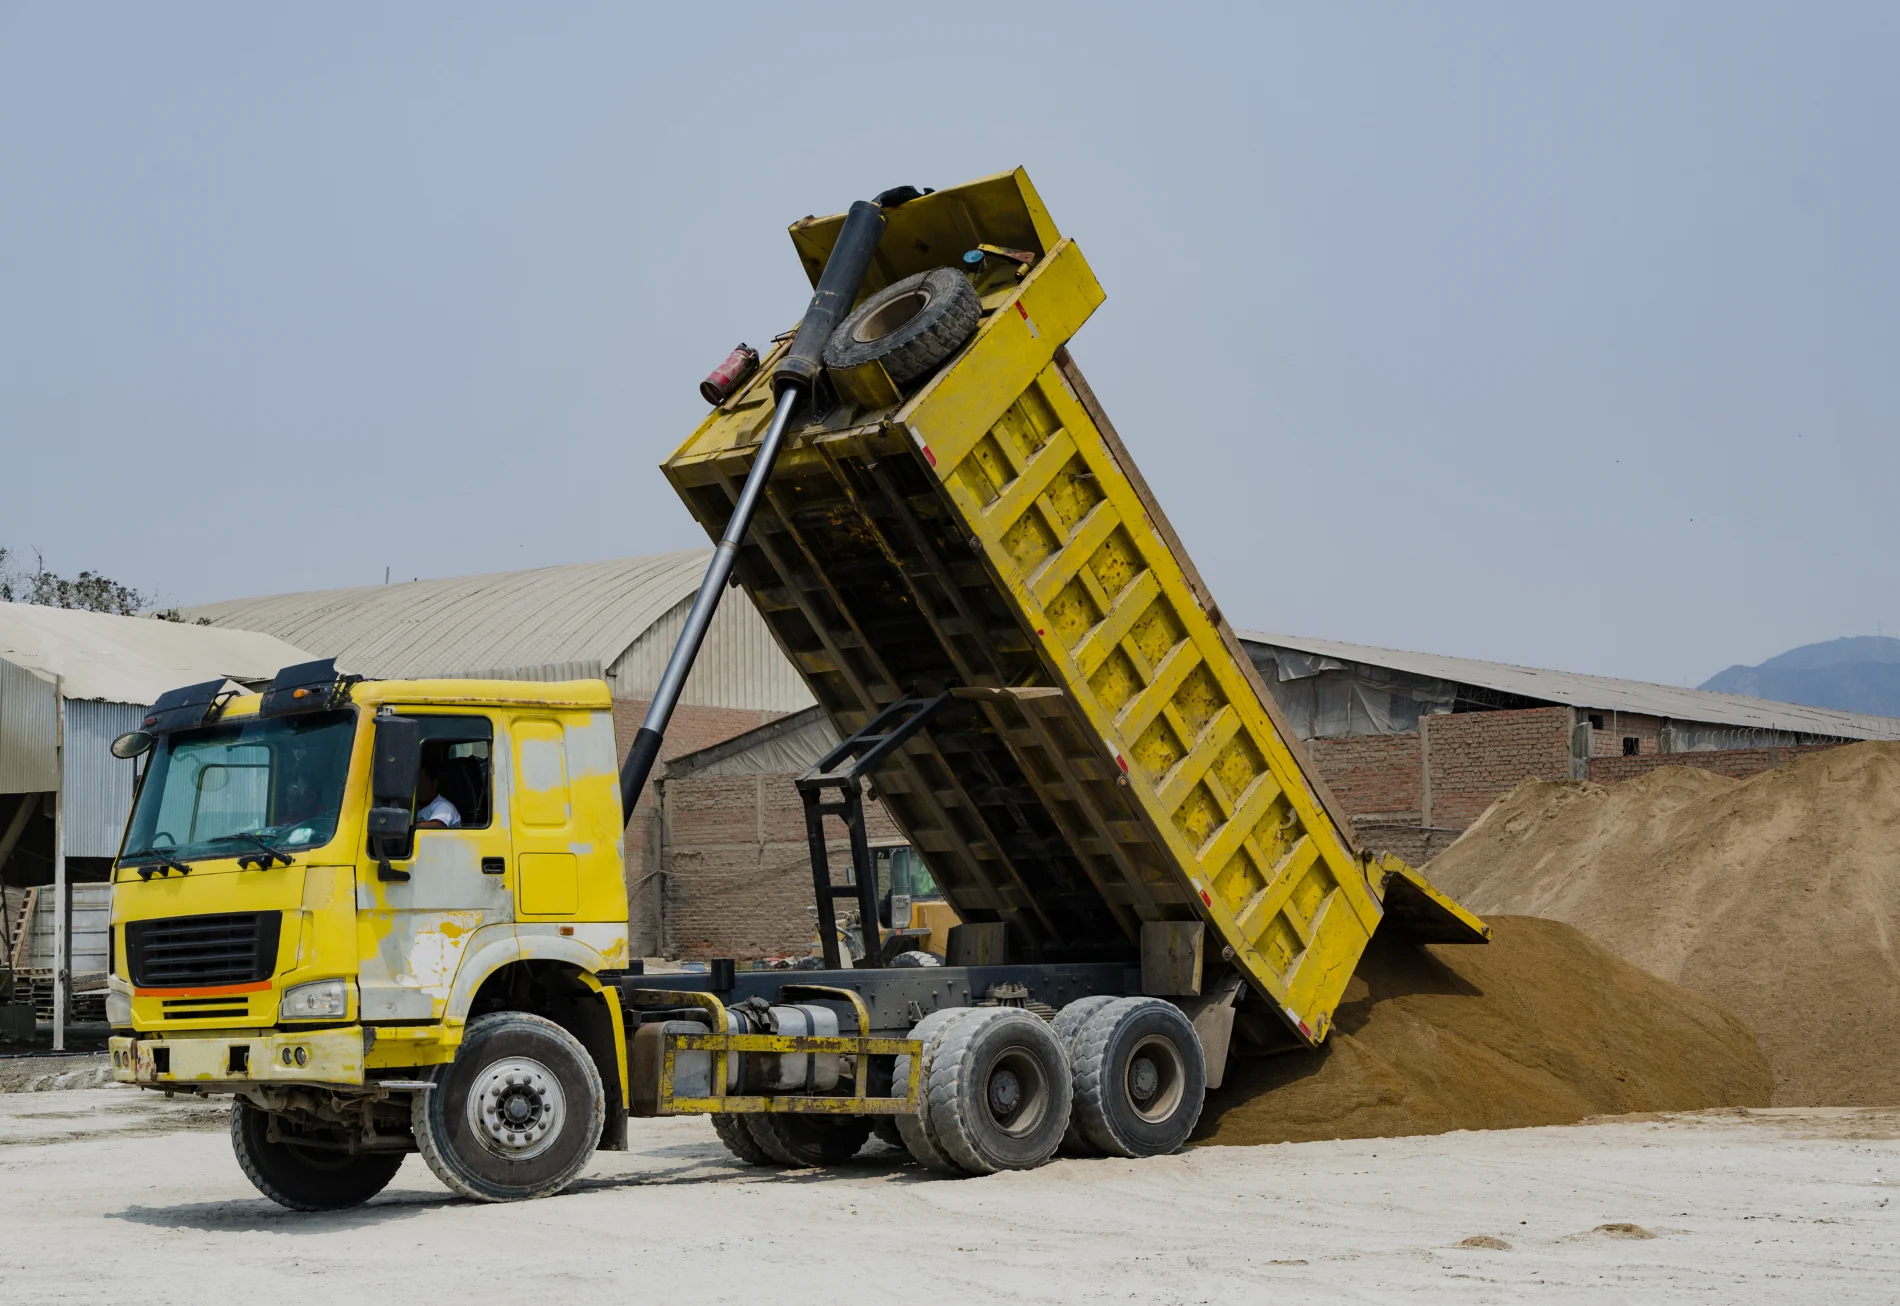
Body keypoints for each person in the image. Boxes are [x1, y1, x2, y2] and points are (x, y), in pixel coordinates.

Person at [414, 759, 462, 829]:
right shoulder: (416, 806)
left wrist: (407, 826)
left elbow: (437, 825)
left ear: (434, 784)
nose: (417, 788)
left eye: (422, 783)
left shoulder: (444, 806)